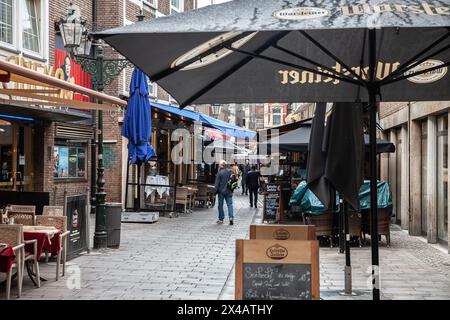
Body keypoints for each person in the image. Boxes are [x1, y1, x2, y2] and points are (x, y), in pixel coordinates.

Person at [214, 160, 234, 225]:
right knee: (230, 205)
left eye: (219, 164)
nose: (218, 165)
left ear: (222, 165)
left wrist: (214, 192)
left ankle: (221, 219)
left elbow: (216, 184)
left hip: (221, 192)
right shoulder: (230, 171)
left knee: (220, 206)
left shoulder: (219, 173)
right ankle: (231, 218)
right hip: (229, 191)